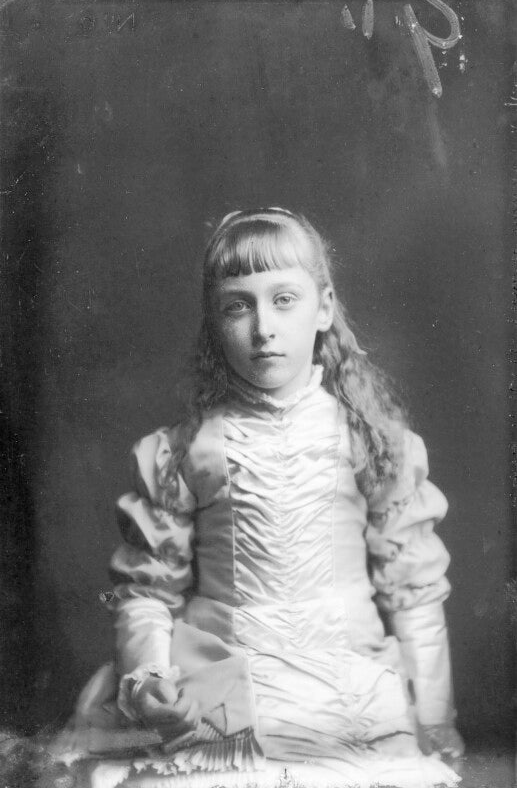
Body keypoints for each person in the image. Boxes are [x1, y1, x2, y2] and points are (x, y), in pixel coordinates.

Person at [56, 208, 464, 788]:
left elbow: (415, 592)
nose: (263, 327)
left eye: (284, 300)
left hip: (349, 695)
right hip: (219, 697)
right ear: (215, 321)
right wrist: (151, 681)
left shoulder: (371, 442)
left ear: (324, 308)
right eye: (238, 306)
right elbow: (146, 593)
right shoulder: (187, 450)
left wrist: (434, 720)